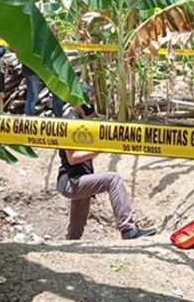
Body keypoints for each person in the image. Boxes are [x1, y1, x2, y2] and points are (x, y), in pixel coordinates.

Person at [57, 98, 156, 240]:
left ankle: (69, 245)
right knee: (113, 179)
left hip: (79, 178)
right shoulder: (70, 121)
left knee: (76, 228)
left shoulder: (77, 119)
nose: (91, 103)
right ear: (77, 100)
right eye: (89, 99)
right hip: (72, 182)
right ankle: (127, 228)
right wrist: (99, 149)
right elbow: (72, 158)